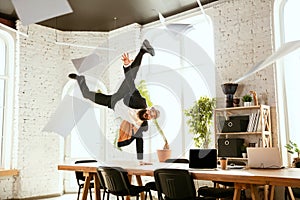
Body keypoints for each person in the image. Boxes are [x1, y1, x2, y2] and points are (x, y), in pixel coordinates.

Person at [69, 39, 160, 160]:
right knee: (131, 77)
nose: (148, 115)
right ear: (148, 109)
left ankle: (81, 80)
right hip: (122, 95)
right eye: (150, 112)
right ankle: (143, 51)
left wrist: (140, 160)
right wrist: (127, 65)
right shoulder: (140, 102)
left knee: (87, 95)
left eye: (150, 116)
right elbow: (130, 82)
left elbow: (139, 140)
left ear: (150, 119)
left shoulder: (141, 125)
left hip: (112, 103)